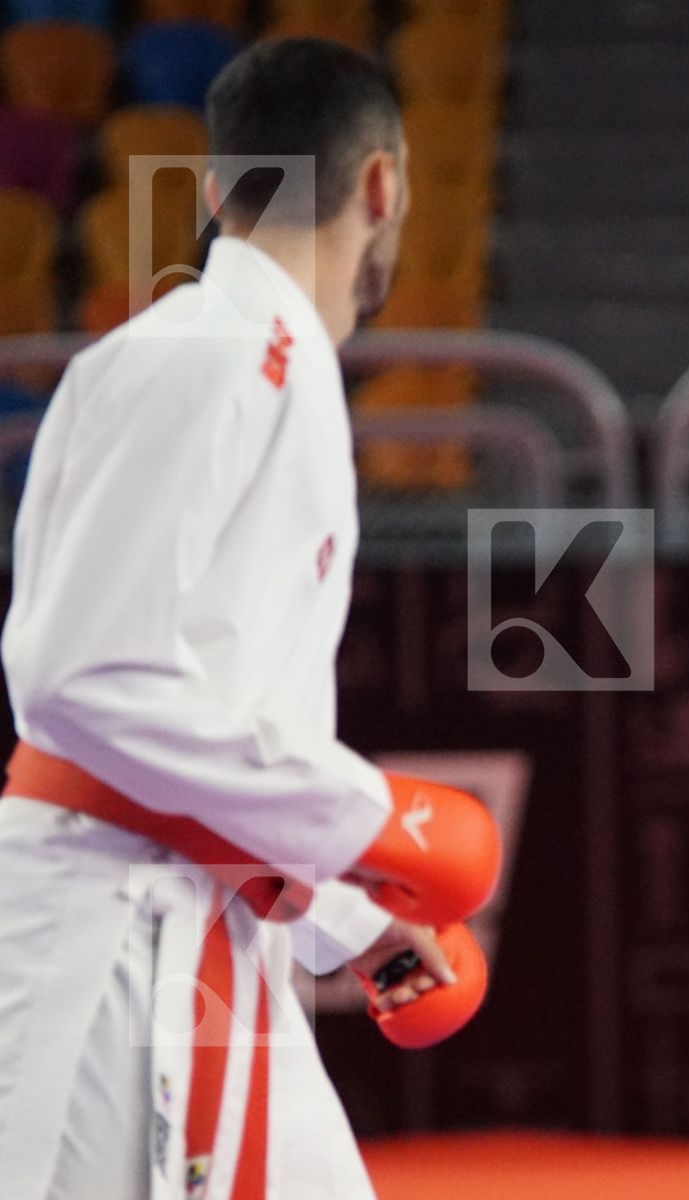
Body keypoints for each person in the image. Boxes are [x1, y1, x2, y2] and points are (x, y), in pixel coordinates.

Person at [0, 39, 496, 1199]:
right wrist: (372, 816)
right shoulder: (212, 355)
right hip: (99, 957)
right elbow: (80, 678)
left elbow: (194, 715)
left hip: (205, 928)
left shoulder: (253, 365)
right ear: (383, 187)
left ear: (217, 190)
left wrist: (341, 916)